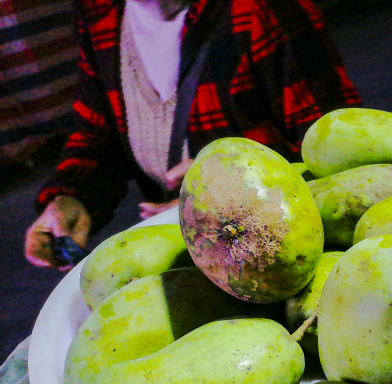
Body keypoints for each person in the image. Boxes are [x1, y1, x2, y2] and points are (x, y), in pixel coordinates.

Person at [24, 0, 361, 269]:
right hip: (194, 248)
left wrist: (234, 181)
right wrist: (73, 199)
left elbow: (339, 146)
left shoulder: (264, 9)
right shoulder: (101, 12)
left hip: (280, 243)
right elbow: (99, 130)